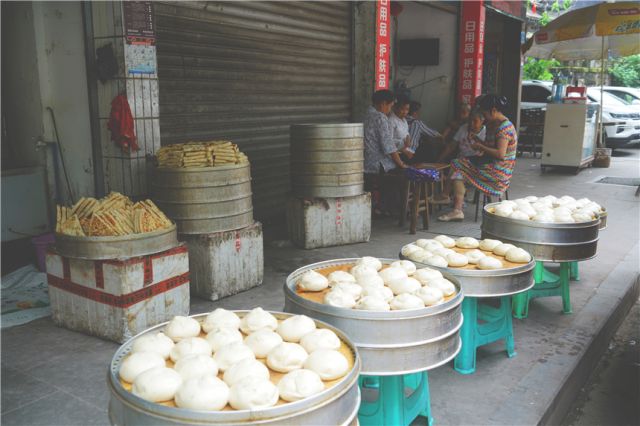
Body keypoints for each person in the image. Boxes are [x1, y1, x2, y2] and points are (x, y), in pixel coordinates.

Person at [432, 95, 517, 222]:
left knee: (457, 166)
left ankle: (449, 200)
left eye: (484, 113)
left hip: (498, 171)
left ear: (493, 110)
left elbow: (500, 154)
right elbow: (491, 147)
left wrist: (480, 146)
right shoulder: (493, 124)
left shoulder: (504, 129)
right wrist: (479, 142)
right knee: (457, 167)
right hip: (489, 164)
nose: (484, 117)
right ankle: (455, 208)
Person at [363, 90, 407, 215]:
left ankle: (384, 206)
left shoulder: (367, 114)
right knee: (402, 175)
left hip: (365, 163)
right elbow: (388, 147)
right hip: (377, 165)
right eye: (390, 105)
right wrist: (401, 164)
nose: (390, 109)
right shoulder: (380, 117)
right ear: (383, 103)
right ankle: (395, 209)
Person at [389, 97, 414, 161]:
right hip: (395, 153)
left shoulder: (404, 120)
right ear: (396, 108)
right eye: (402, 109)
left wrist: (408, 138)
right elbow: (388, 141)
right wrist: (403, 148)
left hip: (405, 149)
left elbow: (406, 133)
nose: (405, 112)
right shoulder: (391, 120)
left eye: (407, 109)